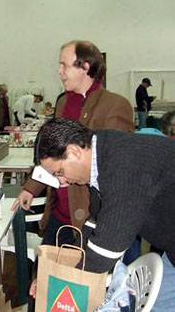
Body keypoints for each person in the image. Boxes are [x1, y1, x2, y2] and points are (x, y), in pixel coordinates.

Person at [33, 117, 175, 312]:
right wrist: (59, 271)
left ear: (74, 151)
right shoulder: (103, 151)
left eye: (59, 172)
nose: (63, 182)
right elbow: (96, 222)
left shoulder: (123, 165)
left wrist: (59, 283)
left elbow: (108, 247)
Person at [12, 40, 134, 248]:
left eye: (64, 65)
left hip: (91, 219)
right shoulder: (62, 103)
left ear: (85, 67)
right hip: (59, 213)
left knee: (76, 279)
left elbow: (116, 169)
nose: (59, 71)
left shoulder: (115, 105)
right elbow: (52, 153)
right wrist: (31, 188)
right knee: (44, 276)